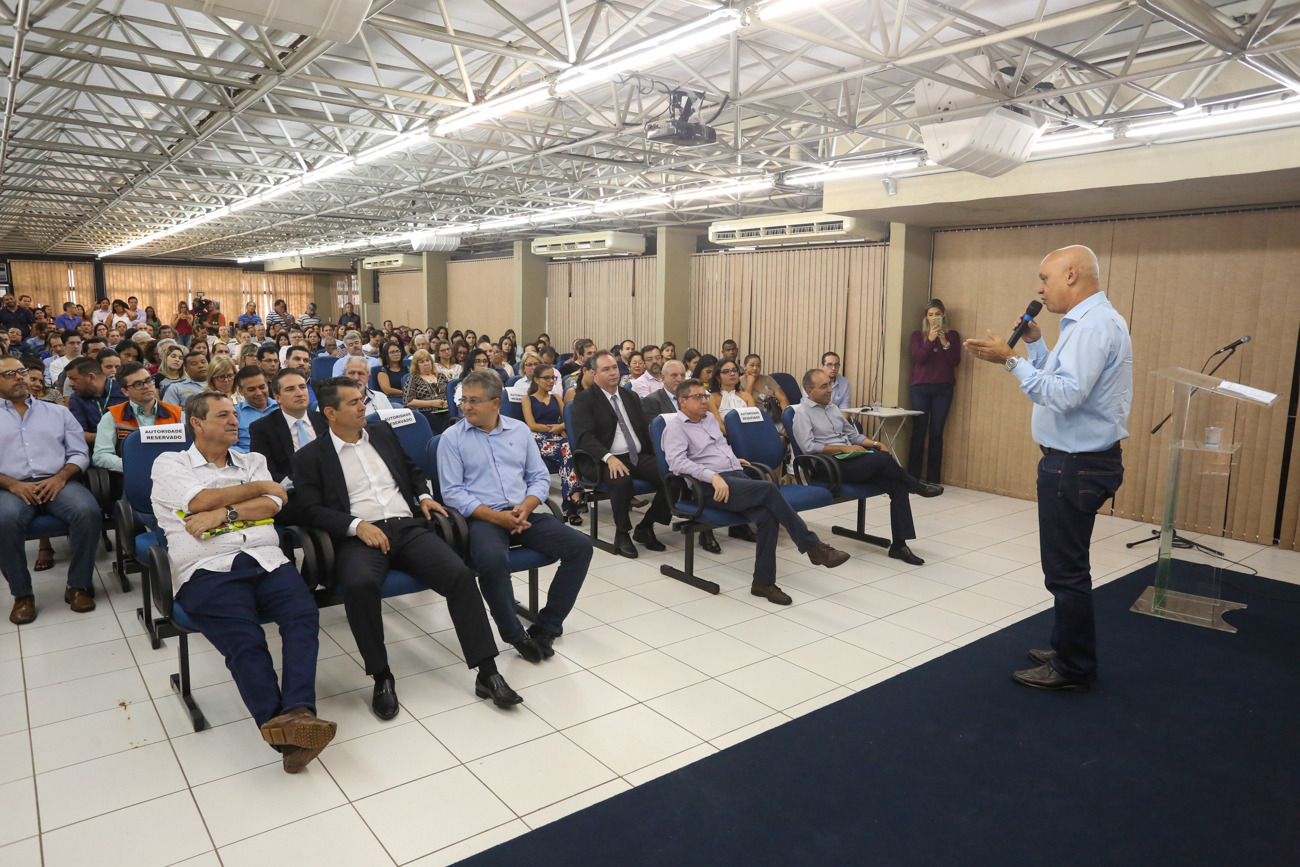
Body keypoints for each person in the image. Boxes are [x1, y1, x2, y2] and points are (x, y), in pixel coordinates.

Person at [292, 377, 521, 717]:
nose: (362, 406)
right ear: (330, 413)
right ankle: (381, 676)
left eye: (361, 399)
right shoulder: (310, 456)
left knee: (459, 575)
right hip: (359, 537)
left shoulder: (381, 434)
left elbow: (412, 471)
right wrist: (356, 526)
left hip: (407, 527)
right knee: (359, 585)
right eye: (353, 402)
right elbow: (309, 508)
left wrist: (425, 495)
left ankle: (487, 672)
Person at [963, 245, 1132, 692]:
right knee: (1065, 566)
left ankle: (1074, 667)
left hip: (1076, 466)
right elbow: (1056, 380)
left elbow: (1063, 396)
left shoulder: (1094, 326)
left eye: (1045, 278)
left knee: (1065, 571)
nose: (1040, 289)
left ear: (1072, 275)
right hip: (1074, 462)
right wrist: (1035, 345)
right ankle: (1067, 648)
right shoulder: (1083, 324)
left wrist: (1011, 359)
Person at [151, 391, 336, 773]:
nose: (235, 421)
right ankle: (288, 732)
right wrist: (257, 490)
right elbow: (200, 500)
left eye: (235, 414)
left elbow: (272, 506)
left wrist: (225, 510)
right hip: (206, 568)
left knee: (303, 616)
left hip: (266, 558)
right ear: (197, 423)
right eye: (223, 415)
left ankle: (296, 714)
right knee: (246, 642)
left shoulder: (253, 459)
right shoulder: (170, 463)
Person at [439, 369, 593, 661]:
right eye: (463, 401)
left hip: (522, 512)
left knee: (580, 547)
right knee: (493, 560)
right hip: (482, 518)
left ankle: (547, 626)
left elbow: (538, 477)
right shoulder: (451, 438)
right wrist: (499, 518)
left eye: (474, 401)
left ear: (496, 403)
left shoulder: (519, 431)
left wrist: (528, 506)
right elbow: (453, 493)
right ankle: (514, 635)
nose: (466, 406)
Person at [664, 378, 850, 605]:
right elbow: (677, 464)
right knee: (768, 489)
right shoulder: (675, 427)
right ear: (682, 402)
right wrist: (713, 476)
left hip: (734, 477)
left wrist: (732, 460)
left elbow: (719, 448)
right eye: (698, 397)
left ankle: (763, 583)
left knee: (767, 517)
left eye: (705, 396)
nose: (705, 401)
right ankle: (812, 546)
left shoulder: (710, 419)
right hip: (710, 489)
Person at [792, 369, 942, 567]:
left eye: (829, 384)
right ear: (809, 391)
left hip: (851, 460)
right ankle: (917, 485)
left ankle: (899, 545)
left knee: (897, 484)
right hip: (830, 466)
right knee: (881, 460)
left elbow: (853, 435)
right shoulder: (801, 413)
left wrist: (875, 443)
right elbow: (809, 447)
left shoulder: (833, 409)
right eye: (823, 387)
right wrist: (843, 448)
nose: (830, 390)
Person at [0, 356, 100, 623]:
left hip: (58, 481)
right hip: (11, 486)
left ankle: (78, 586)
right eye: (9, 374)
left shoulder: (58, 412)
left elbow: (79, 453)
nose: (19, 376)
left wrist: (61, 477)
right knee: (4, 520)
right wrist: (11, 484)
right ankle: (22, 595)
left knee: (88, 511)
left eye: (21, 371)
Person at [570, 351, 670, 559]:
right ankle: (622, 533)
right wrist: (609, 457)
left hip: (636, 455)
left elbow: (644, 429)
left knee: (672, 475)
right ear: (594, 374)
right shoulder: (584, 400)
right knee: (621, 479)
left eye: (614, 368)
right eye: (605, 369)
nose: (612, 373)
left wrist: (661, 456)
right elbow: (585, 438)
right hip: (603, 460)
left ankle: (646, 526)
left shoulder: (630, 396)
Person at [249, 369, 328, 525]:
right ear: (277, 397)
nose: (299, 393)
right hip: (295, 495)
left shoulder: (325, 420)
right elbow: (266, 472)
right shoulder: (262, 428)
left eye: (302, 387)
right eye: (290, 389)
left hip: (332, 489)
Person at [92, 362, 183, 474]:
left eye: (149, 380)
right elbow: (100, 456)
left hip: (174, 475)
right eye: (138, 384)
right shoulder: (112, 416)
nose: (146, 386)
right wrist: (134, 466)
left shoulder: (177, 414)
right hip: (133, 477)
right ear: (125, 391)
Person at [908, 299, 962, 484]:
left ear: (944, 314)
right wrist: (930, 339)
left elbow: (955, 361)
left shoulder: (953, 335)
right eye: (930, 315)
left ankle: (933, 479)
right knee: (918, 431)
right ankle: (913, 477)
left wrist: (944, 341)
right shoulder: (918, 335)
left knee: (937, 432)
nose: (934, 318)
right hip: (919, 388)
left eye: (937, 314)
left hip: (943, 388)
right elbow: (919, 359)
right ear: (926, 317)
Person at [520, 363, 582, 524]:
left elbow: (566, 418)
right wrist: (555, 428)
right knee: (567, 449)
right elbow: (531, 425)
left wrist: (560, 427)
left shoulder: (555, 397)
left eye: (553, 378)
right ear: (536, 379)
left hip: (558, 442)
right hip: (537, 439)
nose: (550, 381)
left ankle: (571, 503)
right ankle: (572, 500)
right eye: (546, 378)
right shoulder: (527, 399)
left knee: (567, 453)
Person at [65, 356, 126, 443]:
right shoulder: (76, 398)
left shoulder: (124, 390)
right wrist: (112, 436)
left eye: (74, 379)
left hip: (128, 445)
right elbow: (79, 434)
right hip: (95, 449)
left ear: (91, 377)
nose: (70, 384)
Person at [402, 349, 449, 433]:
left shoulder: (441, 376)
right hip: (427, 412)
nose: (426, 364)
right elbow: (408, 402)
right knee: (443, 425)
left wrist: (447, 402)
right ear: (416, 365)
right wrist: (432, 403)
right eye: (422, 362)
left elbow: (450, 394)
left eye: (428, 360)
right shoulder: (413, 378)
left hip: (446, 410)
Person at [741, 354, 790, 433]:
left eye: (758, 366)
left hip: (775, 418)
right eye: (752, 365)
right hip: (755, 421)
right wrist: (750, 383)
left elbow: (783, 399)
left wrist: (786, 421)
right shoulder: (739, 382)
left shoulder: (768, 379)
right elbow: (744, 404)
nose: (755, 368)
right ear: (744, 366)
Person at [234, 366, 278, 452]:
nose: (258, 393)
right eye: (251, 389)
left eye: (262, 387)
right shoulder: (234, 414)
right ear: (241, 391)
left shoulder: (282, 408)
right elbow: (228, 445)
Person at [708, 358, 756, 434]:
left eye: (734, 370)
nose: (732, 374)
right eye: (726, 371)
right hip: (725, 439)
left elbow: (754, 422)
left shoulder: (747, 396)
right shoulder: (712, 398)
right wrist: (738, 437)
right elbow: (719, 427)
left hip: (749, 436)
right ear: (718, 378)